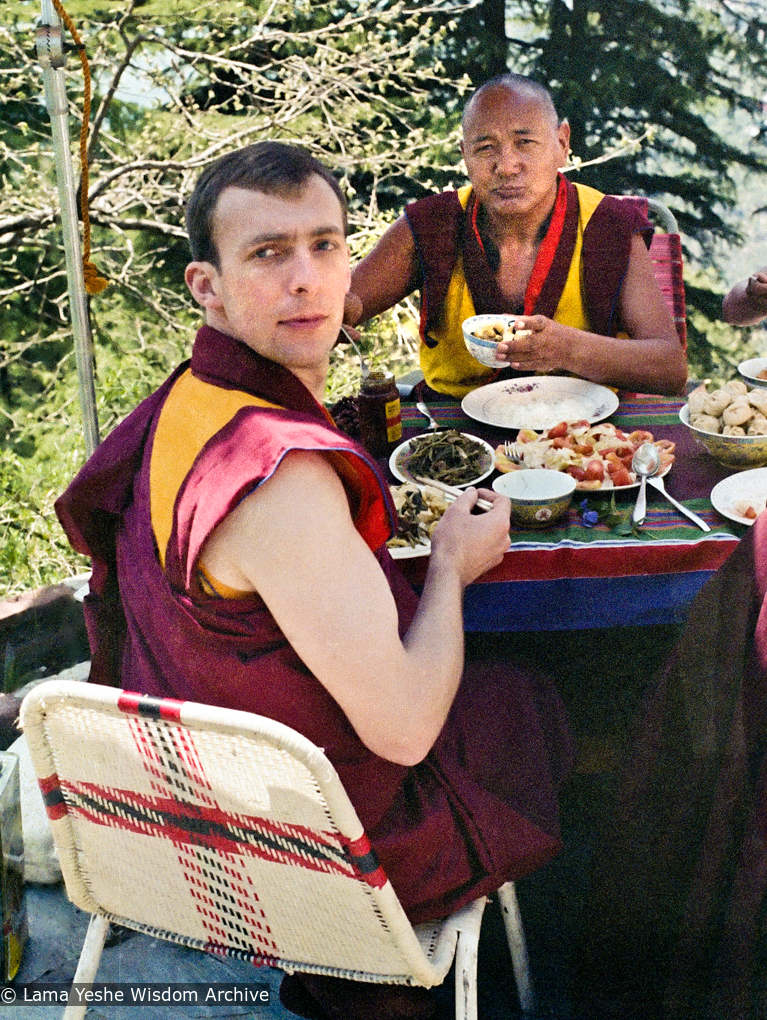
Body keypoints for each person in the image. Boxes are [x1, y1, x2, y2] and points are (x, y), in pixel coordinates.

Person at [54, 142, 572, 1020]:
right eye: (267, 253)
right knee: (533, 700)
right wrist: (451, 565)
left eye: (324, 245)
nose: (305, 279)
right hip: (308, 855)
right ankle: (414, 982)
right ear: (207, 287)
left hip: (187, 802)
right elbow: (404, 730)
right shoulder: (278, 475)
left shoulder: (187, 401)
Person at [344, 74, 687, 400]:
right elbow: (348, 303)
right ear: (465, 155)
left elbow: (670, 370)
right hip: (453, 427)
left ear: (562, 143)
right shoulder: (432, 223)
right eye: (485, 148)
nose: (506, 166)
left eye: (524, 143)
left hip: (579, 429)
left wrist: (567, 349)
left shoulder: (606, 223)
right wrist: (340, 312)